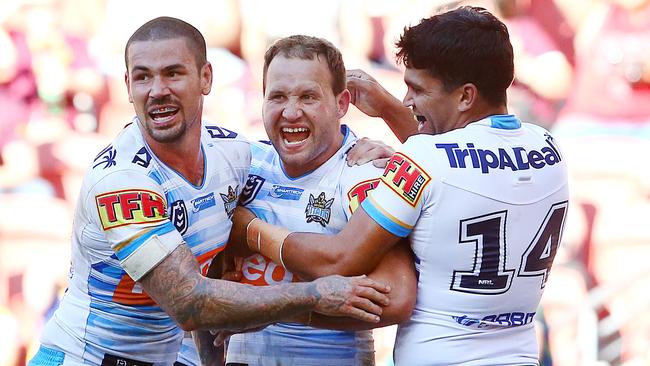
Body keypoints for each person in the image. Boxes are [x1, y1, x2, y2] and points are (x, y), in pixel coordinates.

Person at [27, 16, 391, 366]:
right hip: (84, 358)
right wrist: (314, 296)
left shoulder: (233, 155)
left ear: (206, 77)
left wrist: (367, 151)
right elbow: (189, 301)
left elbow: (308, 166)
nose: (157, 90)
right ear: (127, 86)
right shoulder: (121, 180)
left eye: (173, 73)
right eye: (143, 77)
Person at [235, 6, 570, 365]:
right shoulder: (548, 147)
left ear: (465, 96)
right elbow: (460, 167)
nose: (408, 101)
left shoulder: (425, 159)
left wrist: (251, 231)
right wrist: (386, 110)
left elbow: (340, 257)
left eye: (418, 90)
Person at [196, 35, 416, 366]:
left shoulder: (362, 172)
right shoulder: (243, 164)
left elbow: (396, 297)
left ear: (342, 104)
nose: (291, 112)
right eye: (278, 97)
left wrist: (273, 308)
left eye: (308, 97)